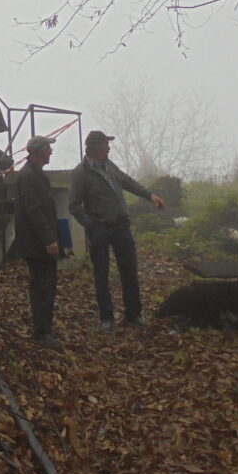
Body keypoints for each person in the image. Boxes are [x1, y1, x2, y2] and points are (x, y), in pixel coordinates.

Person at [68, 130, 166, 331]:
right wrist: (91, 225)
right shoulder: (81, 173)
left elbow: (127, 182)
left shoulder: (109, 166)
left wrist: (150, 195)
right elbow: (74, 205)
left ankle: (134, 314)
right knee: (101, 274)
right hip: (99, 229)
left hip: (121, 226)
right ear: (96, 148)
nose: (109, 147)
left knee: (129, 270)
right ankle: (106, 318)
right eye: (106, 144)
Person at [13, 134, 62, 348]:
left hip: (38, 241)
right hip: (37, 243)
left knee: (46, 285)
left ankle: (45, 328)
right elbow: (35, 210)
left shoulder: (34, 174)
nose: (51, 152)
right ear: (41, 152)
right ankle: (42, 332)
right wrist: (49, 239)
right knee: (43, 286)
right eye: (49, 149)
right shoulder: (29, 176)